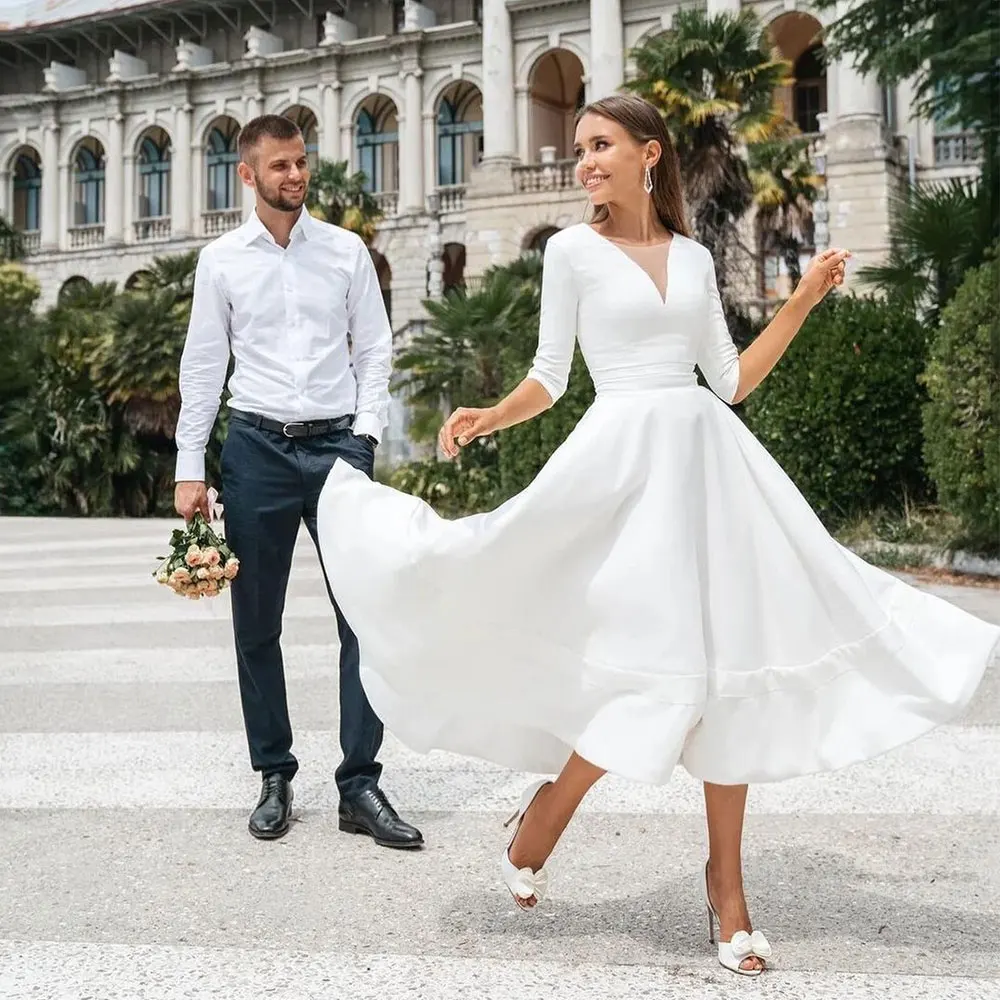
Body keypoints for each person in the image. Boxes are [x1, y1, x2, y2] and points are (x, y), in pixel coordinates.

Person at [314, 95, 999, 974]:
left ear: (649, 153)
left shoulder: (696, 259)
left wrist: (801, 299)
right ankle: (547, 815)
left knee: (727, 674)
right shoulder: (568, 251)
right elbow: (552, 377)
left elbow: (731, 380)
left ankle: (728, 889)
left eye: (600, 145)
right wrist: (491, 416)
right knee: (649, 672)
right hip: (621, 473)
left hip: (708, 471)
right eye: (578, 149)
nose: (583, 161)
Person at [173, 114, 422, 850]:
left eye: (302, 162)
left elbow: (375, 350)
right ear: (247, 175)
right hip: (255, 448)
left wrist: (367, 434)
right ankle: (274, 775)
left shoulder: (345, 251)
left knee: (364, 616)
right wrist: (191, 467)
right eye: (279, 166)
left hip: (339, 444)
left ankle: (360, 784)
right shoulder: (221, 262)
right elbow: (202, 366)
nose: (296, 176)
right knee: (257, 622)